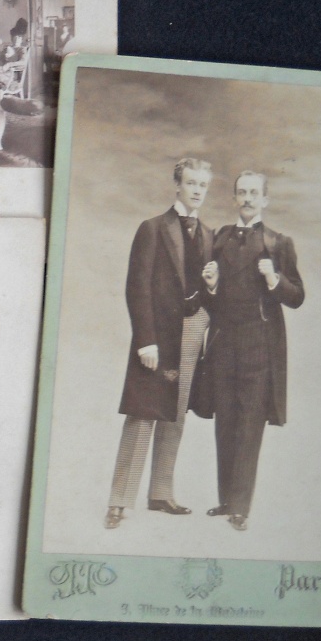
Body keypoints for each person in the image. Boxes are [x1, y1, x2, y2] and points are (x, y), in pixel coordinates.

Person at [105, 159, 216, 529]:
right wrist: (145, 340)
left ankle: (161, 493)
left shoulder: (209, 234)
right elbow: (136, 286)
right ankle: (120, 501)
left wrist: (213, 286)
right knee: (143, 412)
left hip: (193, 328)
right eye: (191, 183)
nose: (197, 190)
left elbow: (211, 291)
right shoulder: (152, 228)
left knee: (176, 412)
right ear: (177, 185)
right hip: (158, 334)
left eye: (203, 184)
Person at [190, 170, 304, 531]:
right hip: (223, 344)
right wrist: (211, 285)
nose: (248, 199)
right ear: (235, 198)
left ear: (265, 199)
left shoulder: (278, 242)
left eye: (254, 193)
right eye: (242, 192)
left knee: (250, 424)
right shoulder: (219, 238)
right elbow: (209, 298)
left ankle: (241, 507)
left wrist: (274, 279)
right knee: (226, 421)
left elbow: (297, 296)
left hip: (259, 346)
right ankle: (226, 501)